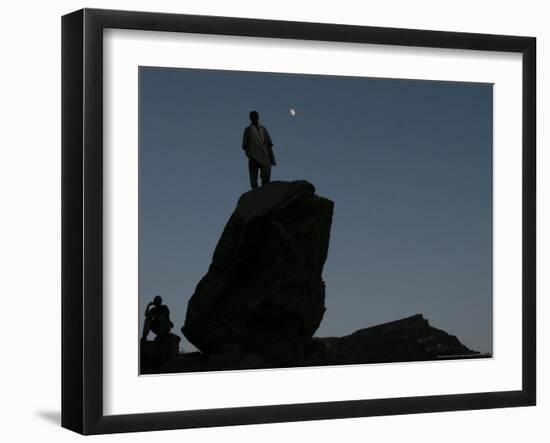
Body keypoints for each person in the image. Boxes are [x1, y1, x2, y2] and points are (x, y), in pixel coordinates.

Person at [241, 110, 276, 189]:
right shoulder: (248, 129)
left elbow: (269, 143)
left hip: (264, 153)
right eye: (252, 116)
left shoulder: (263, 128)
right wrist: (249, 153)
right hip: (253, 154)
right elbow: (245, 144)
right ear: (250, 118)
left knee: (266, 173)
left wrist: (270, 154)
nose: (254, 117)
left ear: (258, 117)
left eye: (255, 115)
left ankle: (265, 188)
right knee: (253, 174)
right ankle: (255, 189)